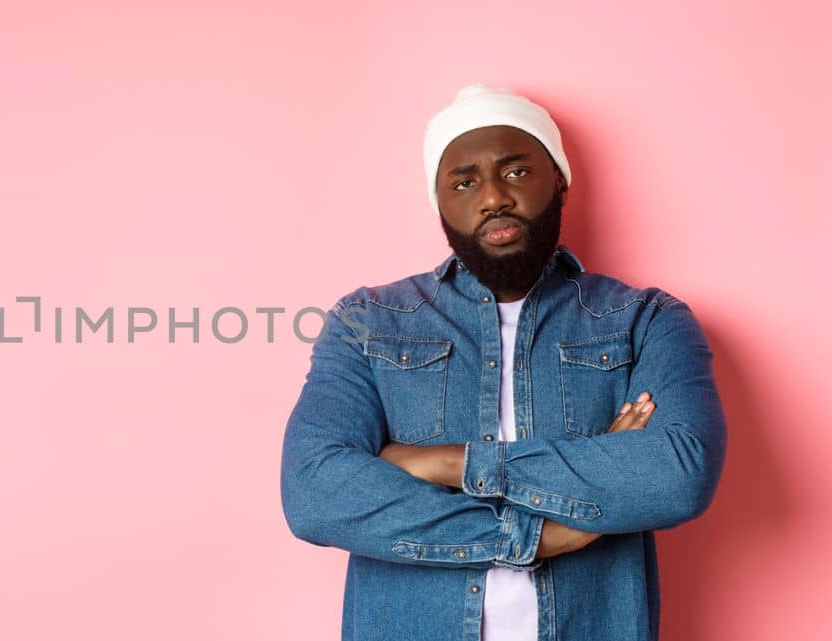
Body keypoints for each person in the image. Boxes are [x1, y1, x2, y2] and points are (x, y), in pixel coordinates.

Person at [279, 83, 726, 641]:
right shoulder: (368, 323)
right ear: (438, 202)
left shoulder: (645, 320)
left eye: (515, 172)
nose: (493, 197)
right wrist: (540, 535)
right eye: (464, 182)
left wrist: (445, 463)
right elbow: (315, 493)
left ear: (558, 180)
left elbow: (674, 477)